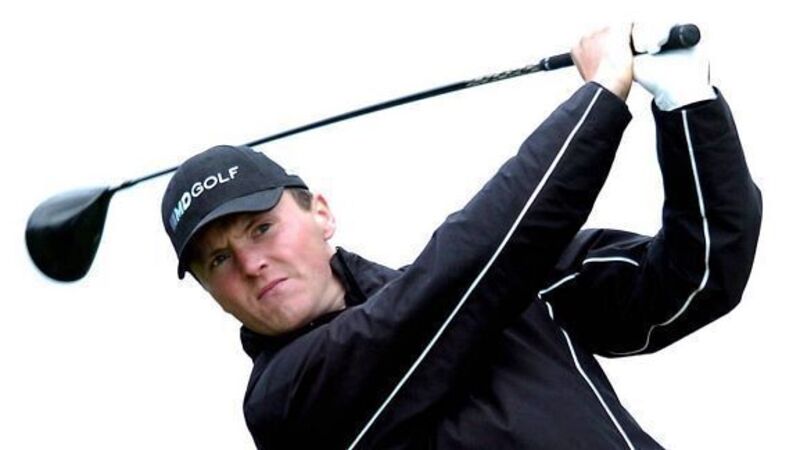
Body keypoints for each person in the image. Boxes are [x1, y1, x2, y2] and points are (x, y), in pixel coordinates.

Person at [160, 24, 762, 449]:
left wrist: (688, 102)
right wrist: (601, 96)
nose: (251, 263)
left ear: (321, 213)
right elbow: (466, 269)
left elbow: (696, 277)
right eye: (218, 260)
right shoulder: (285, 402)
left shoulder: (514, 286)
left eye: (262, 228)